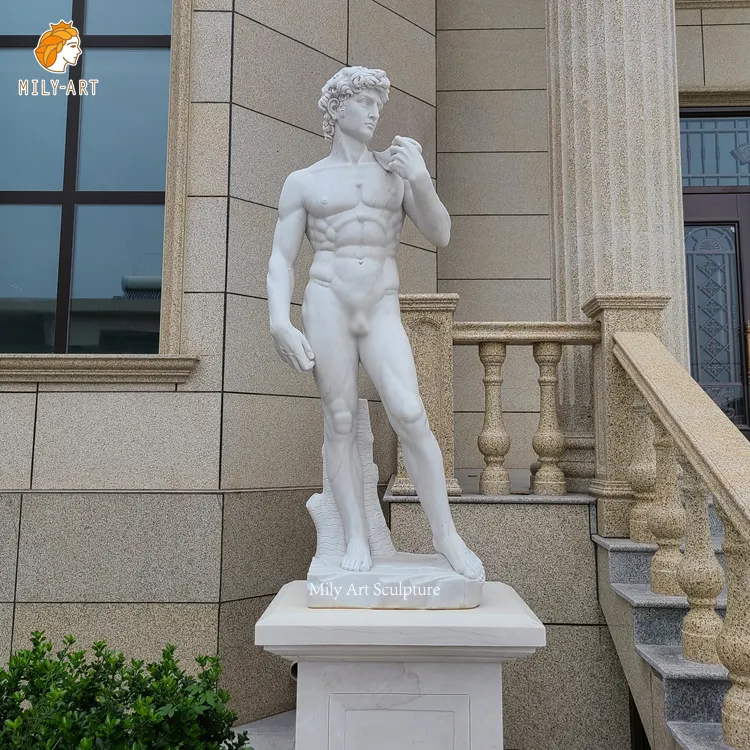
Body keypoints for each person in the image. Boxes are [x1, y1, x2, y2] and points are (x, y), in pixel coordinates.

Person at [267, 66, 484, 581]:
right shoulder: (305, 181)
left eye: (377, 105)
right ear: (337, 108)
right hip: (327, 304)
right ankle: (358, 536)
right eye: (364, 102)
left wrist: (421, 177)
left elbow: (441, 232)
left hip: (381, 307)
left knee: (410, 414)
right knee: (339, 421)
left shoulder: (395, 172)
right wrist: (279, 320)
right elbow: (282, 258)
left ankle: (446, 536)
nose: (373, 112)